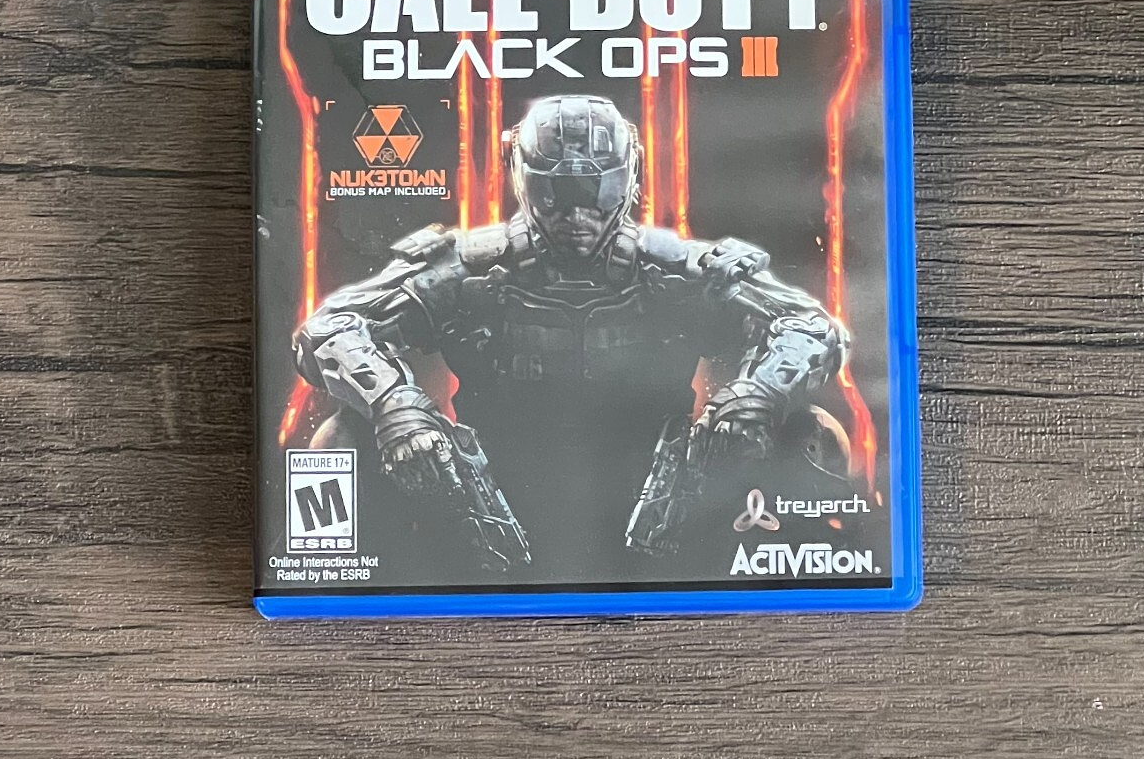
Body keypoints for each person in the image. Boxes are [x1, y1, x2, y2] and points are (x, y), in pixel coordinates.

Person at [291, 94, 851, 580]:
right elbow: (328, 329)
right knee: (341, 437)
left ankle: (820, 571)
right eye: (558, 194)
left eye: (595, 194)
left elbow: (811, 327)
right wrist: (394, 407)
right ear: (525, 181)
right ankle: (332, 581)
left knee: (811, 431)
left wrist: (758, 395)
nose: (577, 215)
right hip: (488, 490)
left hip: (661, 493)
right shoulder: (467, 269)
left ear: (625, 180)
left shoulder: (677, 269)